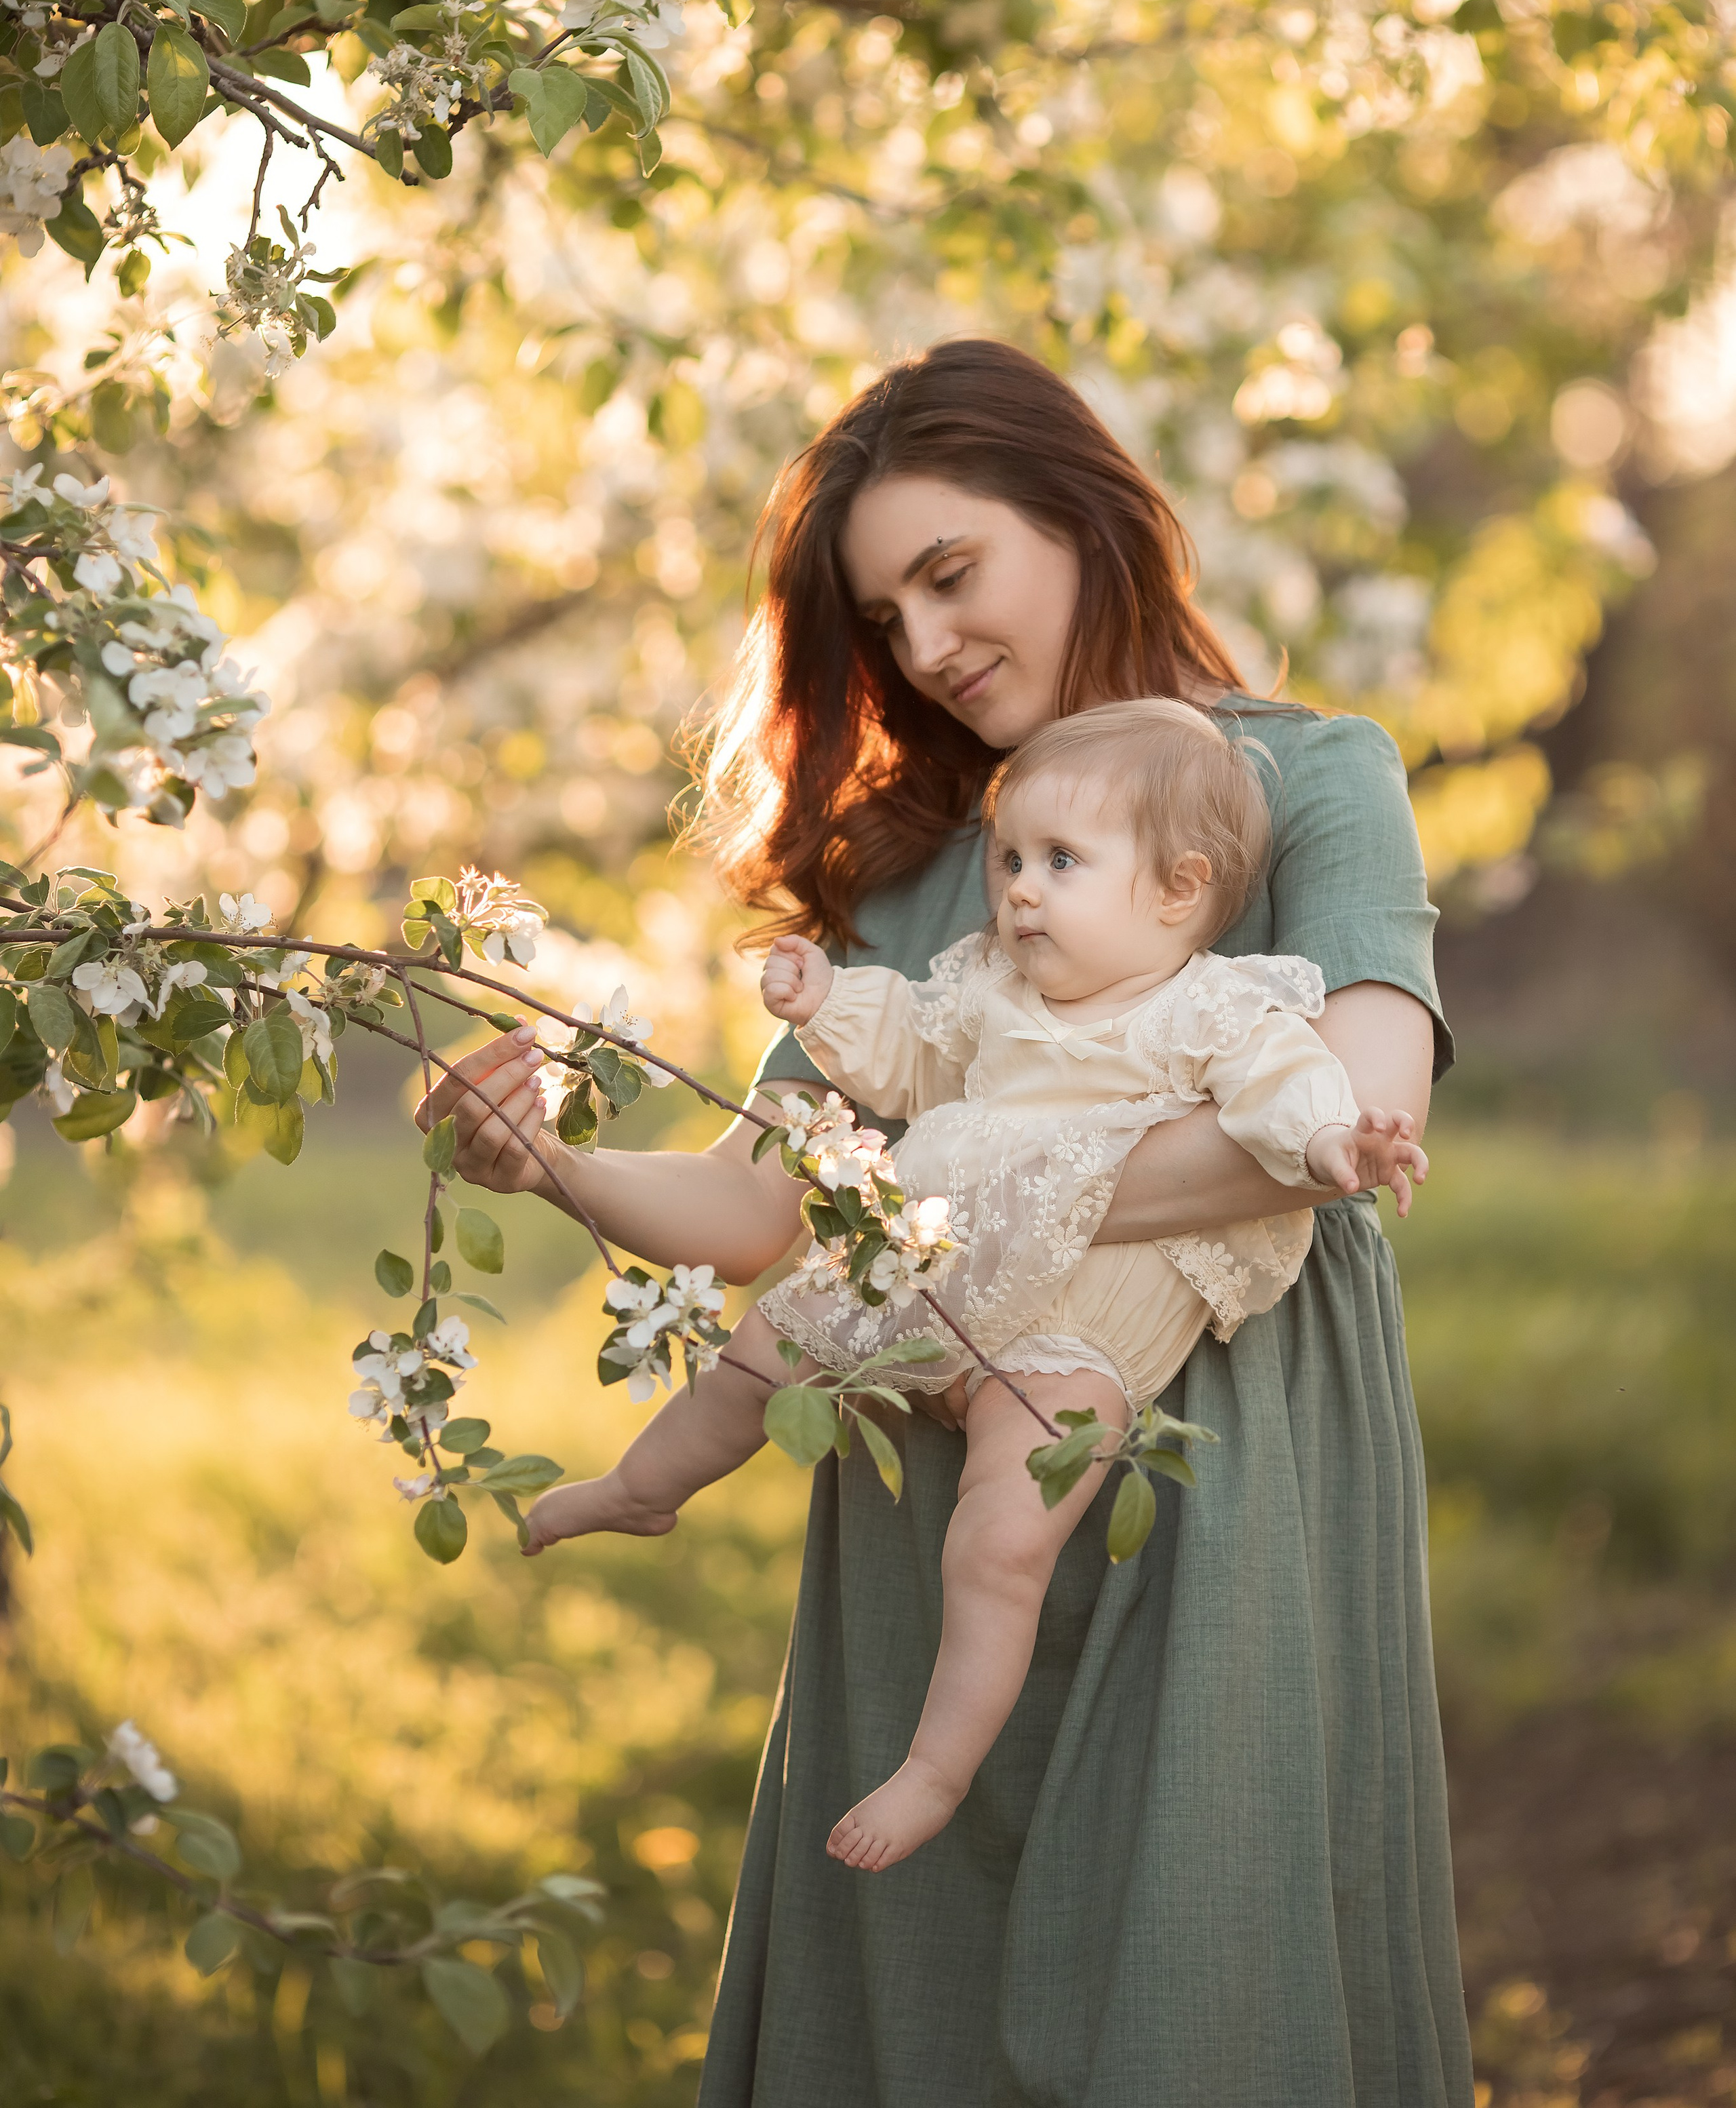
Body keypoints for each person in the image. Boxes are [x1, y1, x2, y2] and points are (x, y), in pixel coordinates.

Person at [420, 340, 1476, 2107]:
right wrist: (562, 1169)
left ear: (1081, 517)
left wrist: (940, 1197)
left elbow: (1340, 1127)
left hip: (1230, 1450)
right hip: (925, 1464)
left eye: (949, 574)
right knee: (917, 1976)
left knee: (1209, 1954)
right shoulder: (933, 867)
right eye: (883, 614)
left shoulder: (1310, 782)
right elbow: (767, 1199)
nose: (921, 646)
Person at [519, 698, 1429, 1879]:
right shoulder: (992, 988)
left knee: (1002, 1537)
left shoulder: (1214, 1008)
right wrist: (825, 1002)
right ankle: (640, 1488)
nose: (1020, 891)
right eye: (1010, 860)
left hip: (1081, 1322)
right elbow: (912, 1054)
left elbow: (1282, 1094)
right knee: (761, 1355)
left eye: (1061, 862)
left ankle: (933, 1771)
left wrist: (1336, 1148)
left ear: (1175, 889)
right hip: (934, 1263)